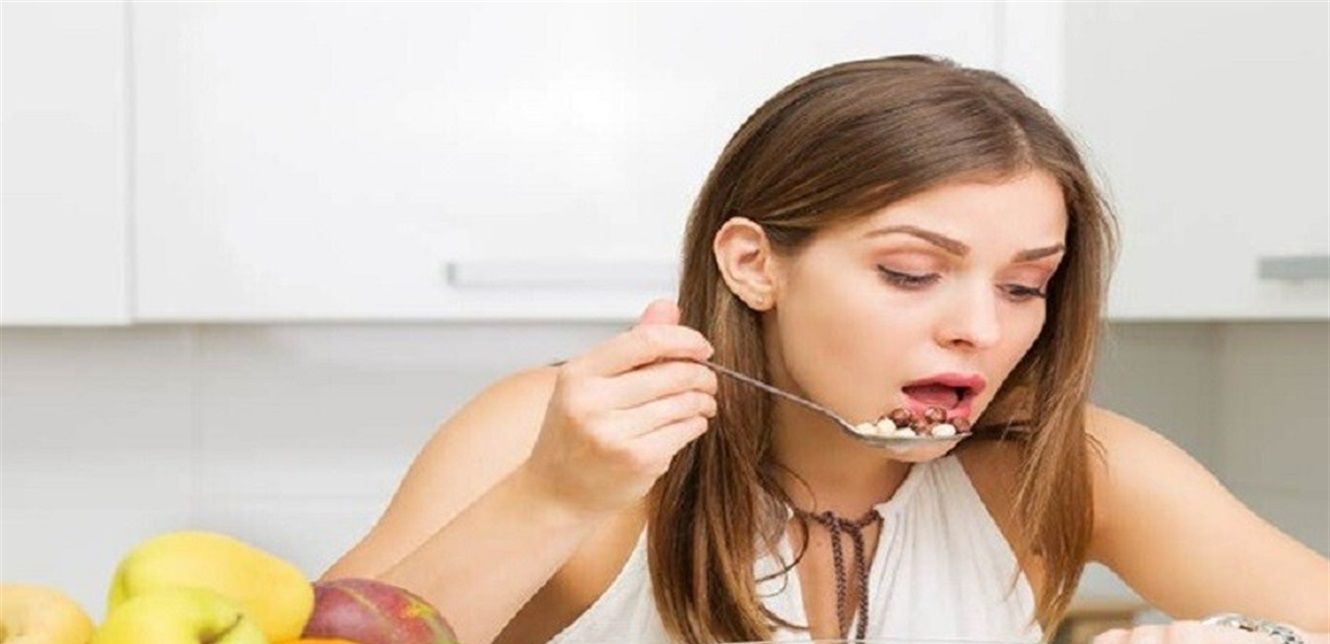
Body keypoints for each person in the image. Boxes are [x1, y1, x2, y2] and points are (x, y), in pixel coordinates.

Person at [320, 55, 1330, 644]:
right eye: (911, 272)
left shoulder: (1066, 469)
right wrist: (552, 495)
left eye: (1024, 286)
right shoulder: (560, 440)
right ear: (754, 263)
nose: (981, 329)